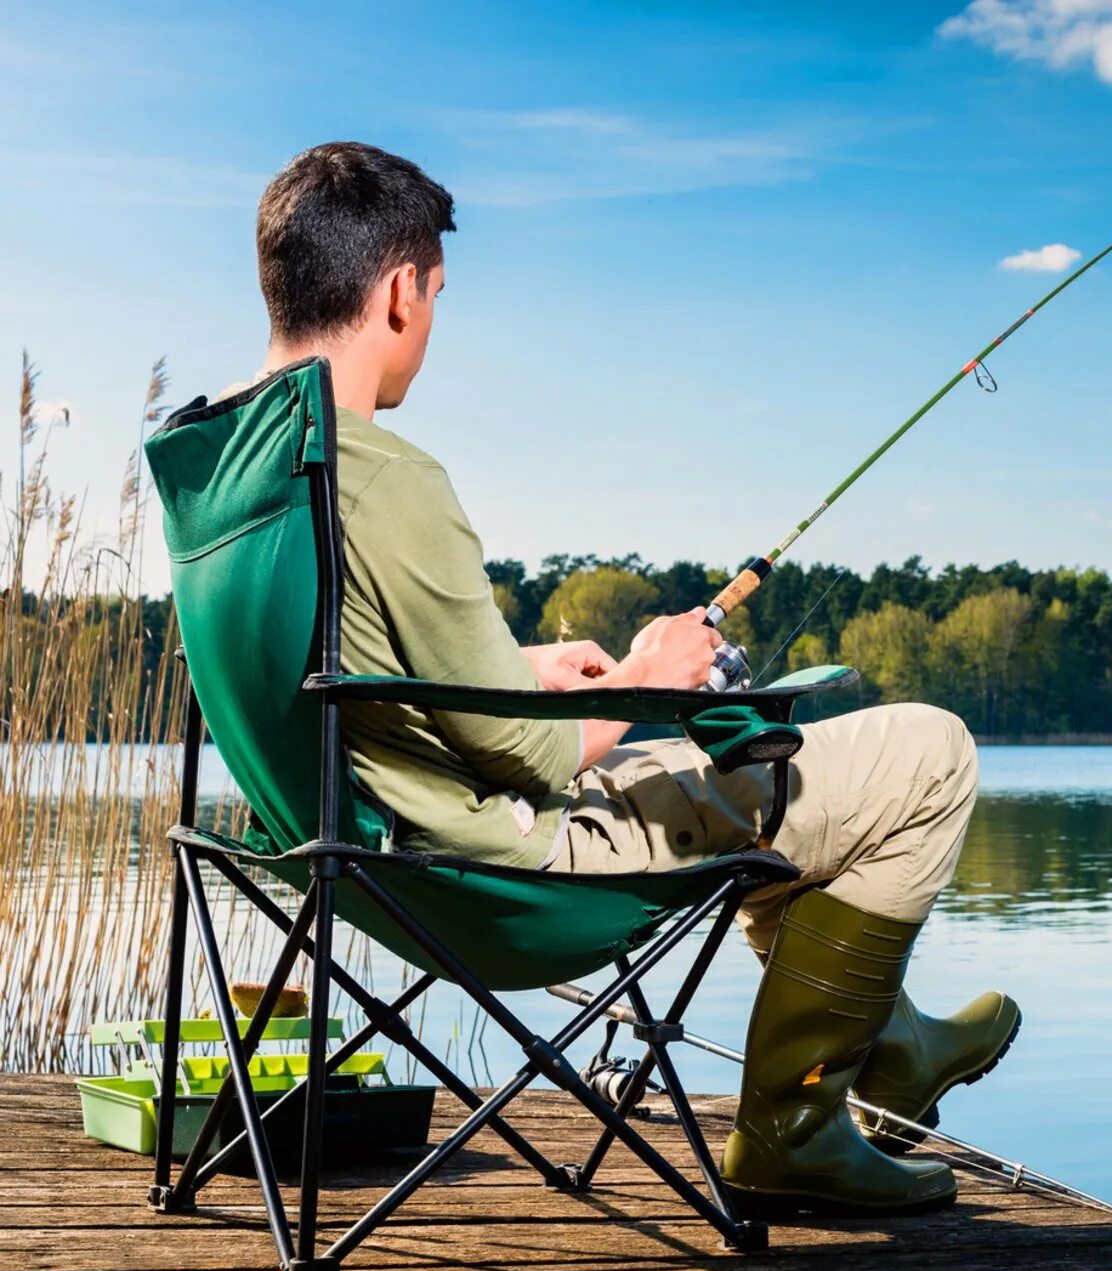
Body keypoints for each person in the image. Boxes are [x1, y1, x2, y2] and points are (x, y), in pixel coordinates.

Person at [234, 141, 1019, 1215]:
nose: (434, 321)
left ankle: (889, 1041)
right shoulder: (383, 475)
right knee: (925, 753)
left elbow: (343, 671)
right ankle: (799, 1117)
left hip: (358, 858)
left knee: (763, 771)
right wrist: (649, 672)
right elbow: (527, 755)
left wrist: (517, 667)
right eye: (439, 294)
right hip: (503, 871)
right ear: (400, 290)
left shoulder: (234, 458)